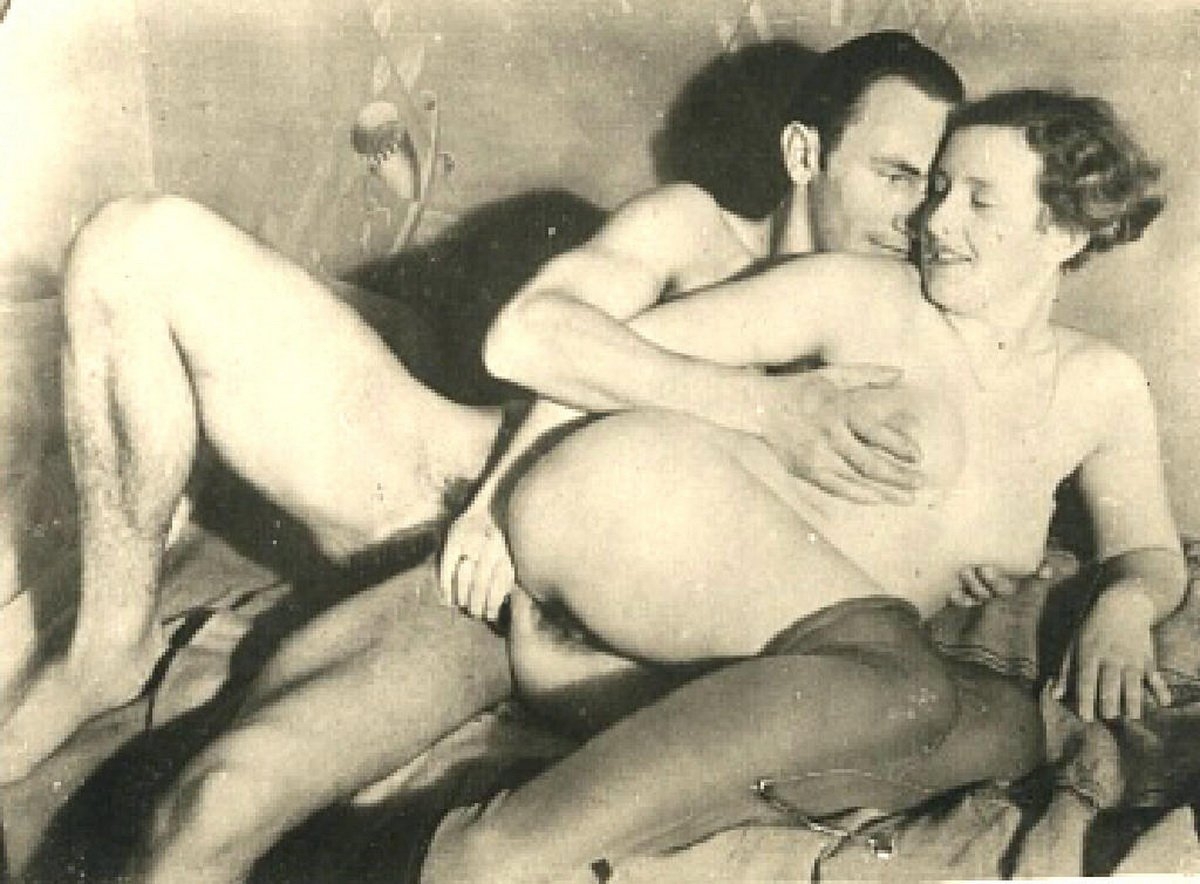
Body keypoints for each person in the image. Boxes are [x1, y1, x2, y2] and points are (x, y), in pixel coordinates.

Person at [0, 31, 1045, 882]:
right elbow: (530, 338)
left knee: (234, 798)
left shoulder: (907, 321)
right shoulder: (699, 234)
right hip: (471, 548)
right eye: (898, 176)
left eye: (940, 188)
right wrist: (765, 409)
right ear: (807, 155)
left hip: (580, 626)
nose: (921, 217)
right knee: (212, 799)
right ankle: (108, 642)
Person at [419, 88, 1186, 884]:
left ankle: (617, 719)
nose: (935, 221)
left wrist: (1127, 604)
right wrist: (494, 506)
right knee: (910, 692)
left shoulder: (1102, 385)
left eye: (979, 200)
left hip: (763, 647)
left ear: (1063, 231)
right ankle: (488, 857)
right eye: (937, 189)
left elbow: (1150, 550)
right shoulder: (859, 291)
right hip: (624, 498)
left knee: (1011, 731)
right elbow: (581, 354)